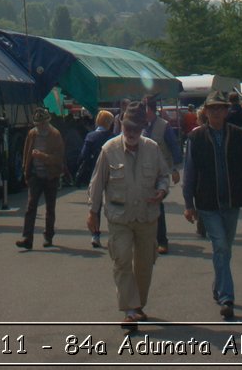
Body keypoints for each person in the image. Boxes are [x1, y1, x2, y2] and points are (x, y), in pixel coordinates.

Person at [182, 90, 242, 320]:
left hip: (232, 200)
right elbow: (189, 173)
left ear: (227, 111)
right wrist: (188, 203)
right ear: (206, 112)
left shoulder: (237, 135)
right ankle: (227, 297)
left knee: (225, 248)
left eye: (221, 108)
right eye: (213, 108)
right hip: (207, 203)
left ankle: (219, 284)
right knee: (220, 246)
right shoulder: (196, 137)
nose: (217, 112)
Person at [87, 101, 170, 330]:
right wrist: (92, 212)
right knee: (122, 260)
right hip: (119, 217)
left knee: (144, 264)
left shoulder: (152, 148)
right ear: (121, 124)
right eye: (128, 128)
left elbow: (164, 175)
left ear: (143, 127)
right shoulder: (109, 149)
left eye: (136, 128)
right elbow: (97, 183)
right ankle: (129, 310)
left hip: (146, 216)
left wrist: (162, 190)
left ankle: (139, 304)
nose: (132, 133)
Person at [16, 107, 65, 249]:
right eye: (37, 125)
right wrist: (26, 172)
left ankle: (48, 237)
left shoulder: (55, 135)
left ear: (47, 122)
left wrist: (42, 157)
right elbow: (26, 152)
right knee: (31, 207)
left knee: (50, 208)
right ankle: (27, 238)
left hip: (51, 176)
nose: (40, 127)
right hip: (35, 176)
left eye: (42, 124)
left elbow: (58, 158)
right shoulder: (32, 134)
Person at [142, 97, 182, 254]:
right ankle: (146, 238)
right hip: (142, 171)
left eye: (144, 109)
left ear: (150, 110)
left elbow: (174, 147)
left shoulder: (164, 126)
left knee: (158, 204)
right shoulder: (140, 126)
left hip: (159, 172)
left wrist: (175, 169)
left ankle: (162, 240)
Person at [75, 110, 115, 246]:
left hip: (94, 173)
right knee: (112, 204)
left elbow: (83, 155)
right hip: (112, 174)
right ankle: (115, 233)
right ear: (109, 123)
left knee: (95, 205)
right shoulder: (113, 137)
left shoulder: (91, 136)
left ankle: (95, 235)